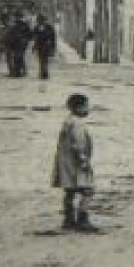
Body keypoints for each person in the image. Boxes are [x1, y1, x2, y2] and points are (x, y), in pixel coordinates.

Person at [50, 92, 98, 233]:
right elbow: (78, 144)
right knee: (89, 190)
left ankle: (68, 219)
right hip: (75, 163)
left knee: (69, 192)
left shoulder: (68, 121)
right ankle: (83, 219)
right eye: (86, 106)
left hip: (65, 163)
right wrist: (83, 160)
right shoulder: (78, 124)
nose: (88, 109)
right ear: (79, 108)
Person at [32, 14, 57, 80]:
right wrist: (34, 47)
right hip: (40, 46)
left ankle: (44, 73)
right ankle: (43, 72)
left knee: (44, 60)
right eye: (39, 20)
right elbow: (34, 37)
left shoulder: (49, 27)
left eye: (40, 20)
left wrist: (53, 48)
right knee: (41, 60)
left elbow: (53, 38)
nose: (39, 22)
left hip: (46, 46)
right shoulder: (36, 27)